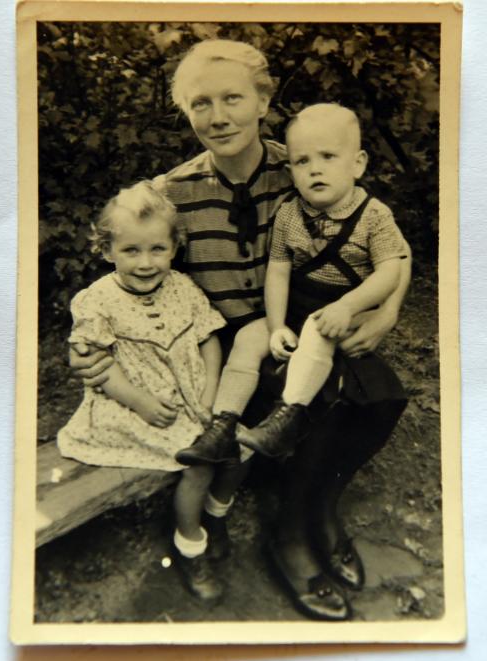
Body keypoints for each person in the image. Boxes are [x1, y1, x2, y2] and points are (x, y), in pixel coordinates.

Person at [69, 39, 411, 621]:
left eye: (233, 98)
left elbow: (388, 244)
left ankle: (321, 507)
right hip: (222, 343)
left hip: (303, 317)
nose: (219, 116)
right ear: (185, 111)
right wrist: (90, 352)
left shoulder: (304, 162)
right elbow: (128, 271)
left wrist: (387, 312)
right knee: (318, 394)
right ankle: (292, 538)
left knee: (380, 393)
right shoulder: (171, 194)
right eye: (201, 103)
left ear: (264, 101)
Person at [177, 102, 407, 463]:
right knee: (247, 339)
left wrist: (349, 307)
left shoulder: (373, 216)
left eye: (328, 157)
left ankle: (286, 419)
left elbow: (390, 270)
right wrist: (276, 325)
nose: (315, 169)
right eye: (302, 162)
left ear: (358, 164)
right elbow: (278, 271)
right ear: (291, 170)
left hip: (340, 309)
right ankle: (222, 426)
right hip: (298, 303)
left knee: (317, 332)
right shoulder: (290, 212)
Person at [58, 180, 228, 602]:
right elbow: (99, 368)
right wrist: (144, 403)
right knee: (200, 460)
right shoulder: (97, 301)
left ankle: (215, 514)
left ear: (174, 248)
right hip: (129, 405)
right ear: (107, 250)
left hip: (190, 398)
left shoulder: (183, 288)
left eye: (157, 249)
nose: (146, 262)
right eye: (131, 250)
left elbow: (209, 339)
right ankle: (191, 544)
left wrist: (208, 396)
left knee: (232, 440)